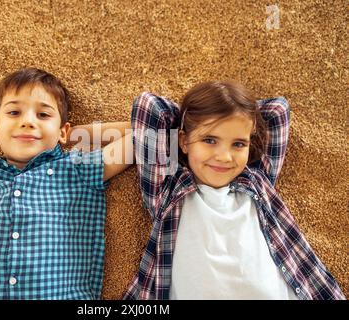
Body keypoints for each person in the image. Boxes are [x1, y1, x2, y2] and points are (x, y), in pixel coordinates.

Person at [0, 67, 132, 299]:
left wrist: (69, 135)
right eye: (14, 113)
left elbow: (143, 133)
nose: (28, 122)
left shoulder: (78, 169)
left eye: (43, 115)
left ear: (63, 130)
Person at [124, 81, 345, 300]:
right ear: (182, 140)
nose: (225, 157)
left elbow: (277, 111)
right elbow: (150, 107)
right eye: (209, 140)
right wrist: (191, 119)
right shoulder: (167, 188)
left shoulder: (257, 180)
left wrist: (237, 114)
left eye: (238, 144)